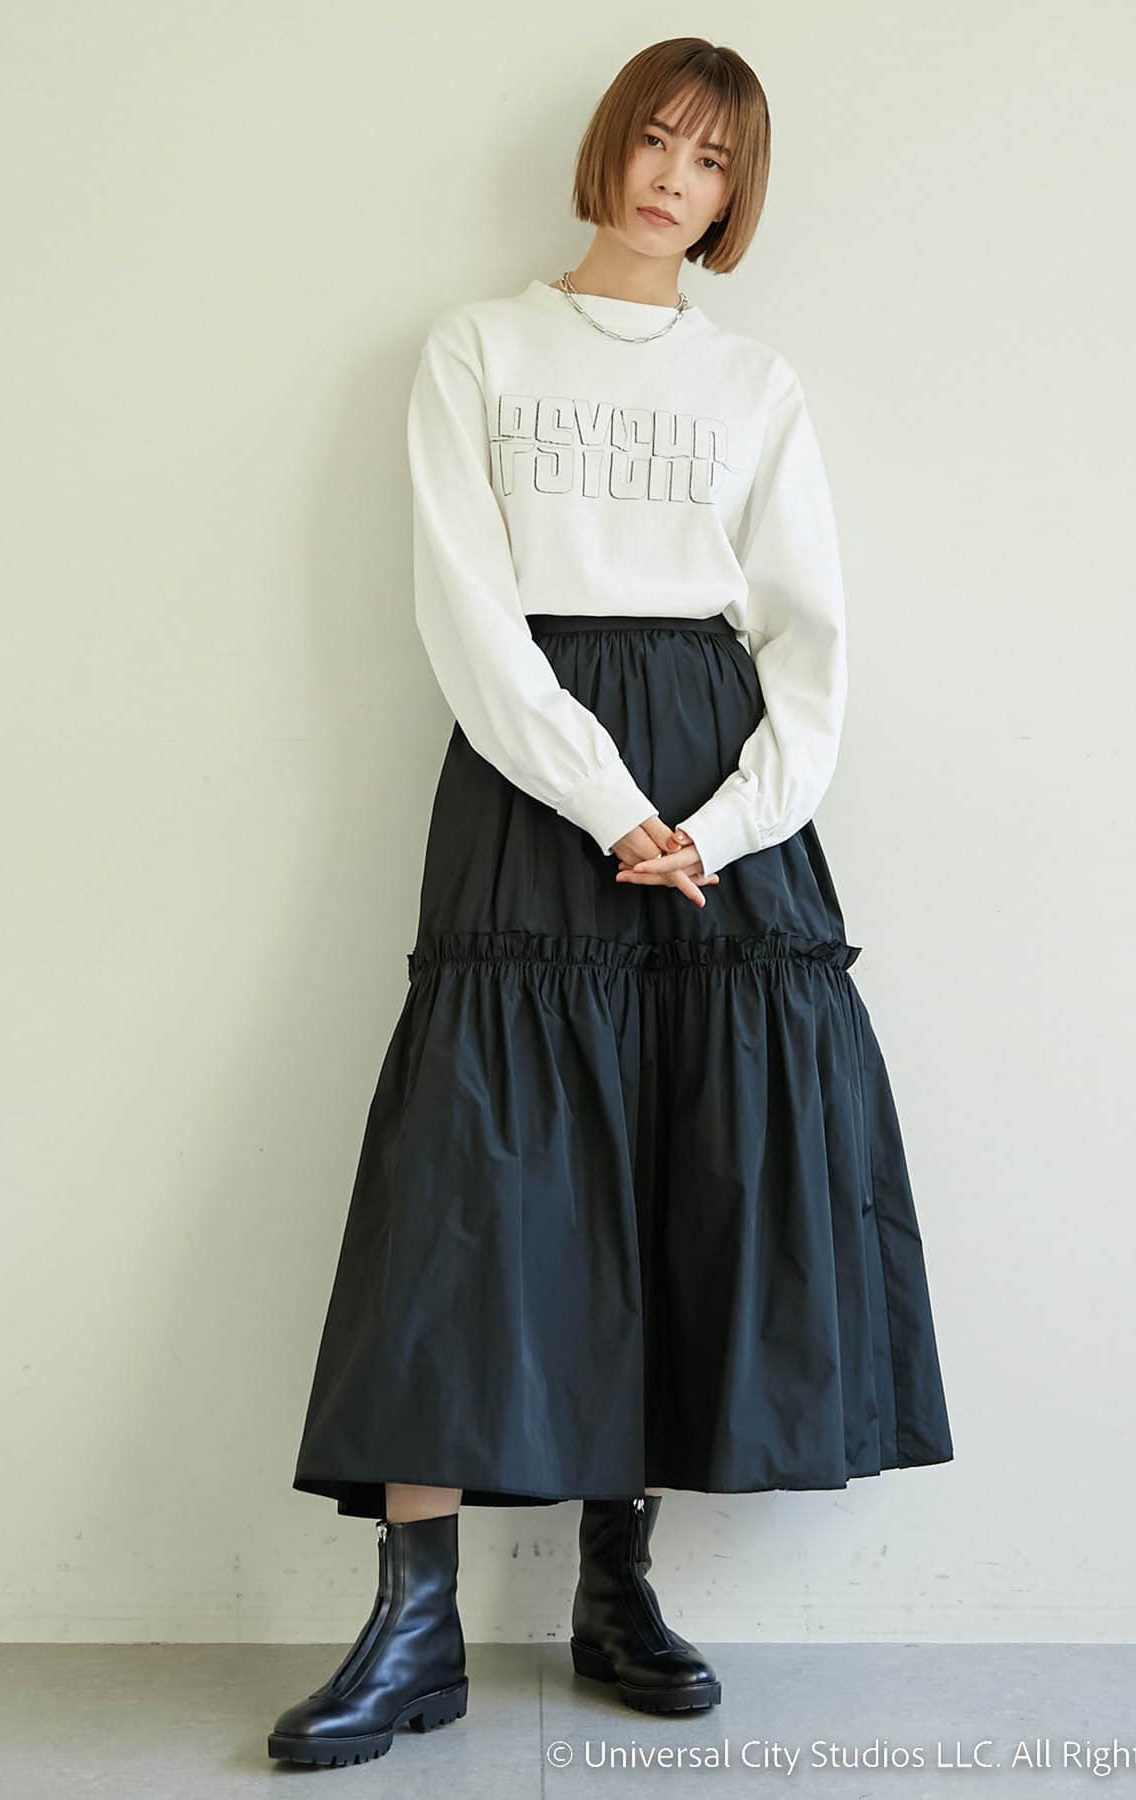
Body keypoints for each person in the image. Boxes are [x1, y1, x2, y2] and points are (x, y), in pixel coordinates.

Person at [267, 35, 954, 1770]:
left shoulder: (753, 383)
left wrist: (720, 823)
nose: (673, 180)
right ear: (607, 149)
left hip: (716, 791)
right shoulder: (477, 348)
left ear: (737, 195)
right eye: (656, 141)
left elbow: (809, 637)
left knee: (674, 1153)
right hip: (536, 776)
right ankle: (415, 1623)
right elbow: (466, 609)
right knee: (472, 1176)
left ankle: (613, 1587)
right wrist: (609, 804)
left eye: (712, 162)